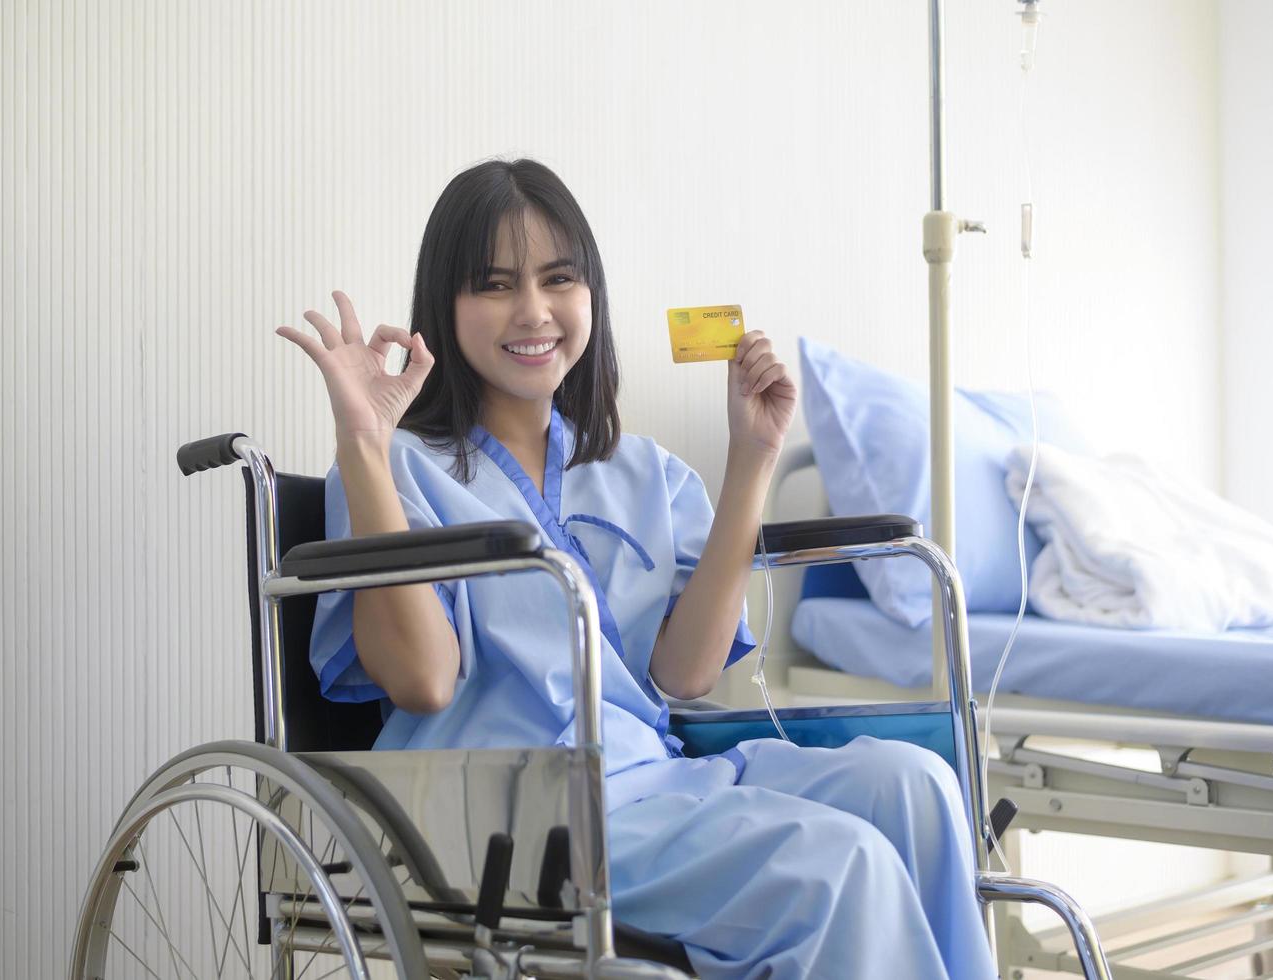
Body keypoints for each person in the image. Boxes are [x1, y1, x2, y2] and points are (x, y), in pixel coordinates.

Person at [276, 158, 995, 979]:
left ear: (592, 298)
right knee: (841, 866)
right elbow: (423, 684)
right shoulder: (399, 469)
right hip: (513, 824)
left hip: (657, 780)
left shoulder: (640, 469)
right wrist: (363, 444)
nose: (533, 312)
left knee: (915, 784)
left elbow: (686, 674)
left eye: (557, 280)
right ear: (445, 302)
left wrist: (753, 456)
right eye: (495, 285)